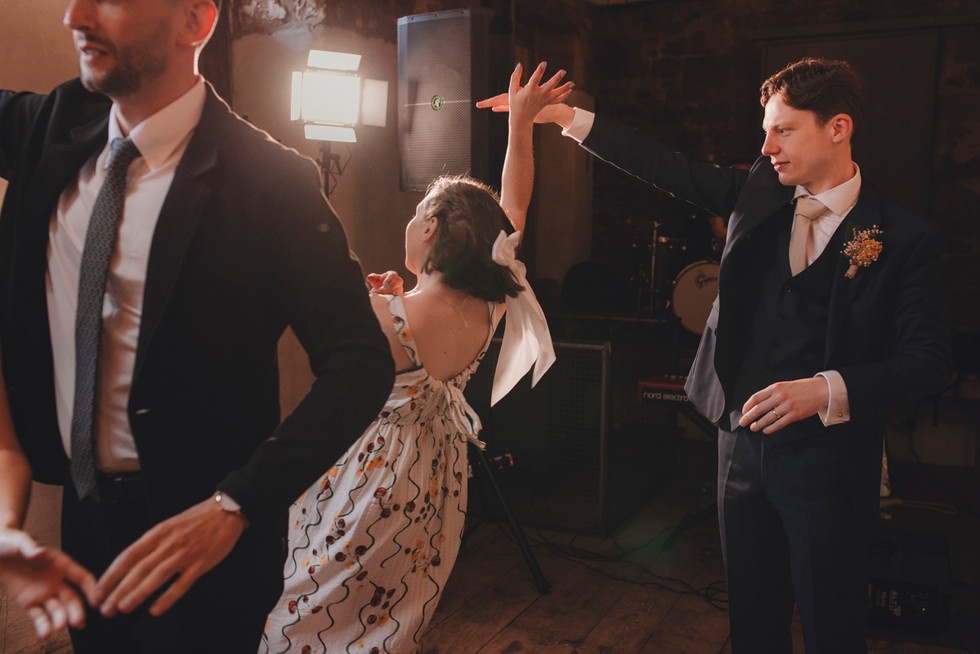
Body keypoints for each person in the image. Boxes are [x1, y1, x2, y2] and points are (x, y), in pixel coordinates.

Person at [479, 58, 951, 653]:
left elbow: (931, 361)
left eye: (784, 130)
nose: (767, 146)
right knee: (752, 624)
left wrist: (826, 388)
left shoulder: (905, 237)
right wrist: (562, 117)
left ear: (838, 128)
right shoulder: (758, 190)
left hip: (829, 463)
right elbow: (665, 167)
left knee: (833, 628)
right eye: (765, 130)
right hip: (740, 450)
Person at [0, 0, 395, 651]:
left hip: (205, 548)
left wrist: (237, 505)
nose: (75, 14)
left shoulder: (274, 183)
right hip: (86, 530)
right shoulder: (51, 125)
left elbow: (360, 362)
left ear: (195, 21)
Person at [259, 62, 567, 654]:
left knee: (307, 604)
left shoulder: (383, 314)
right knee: (391, 611)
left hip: (368, 478)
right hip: (435, 479)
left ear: (429, 227)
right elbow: (516, 207)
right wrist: (521, 126)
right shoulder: (492, 300)